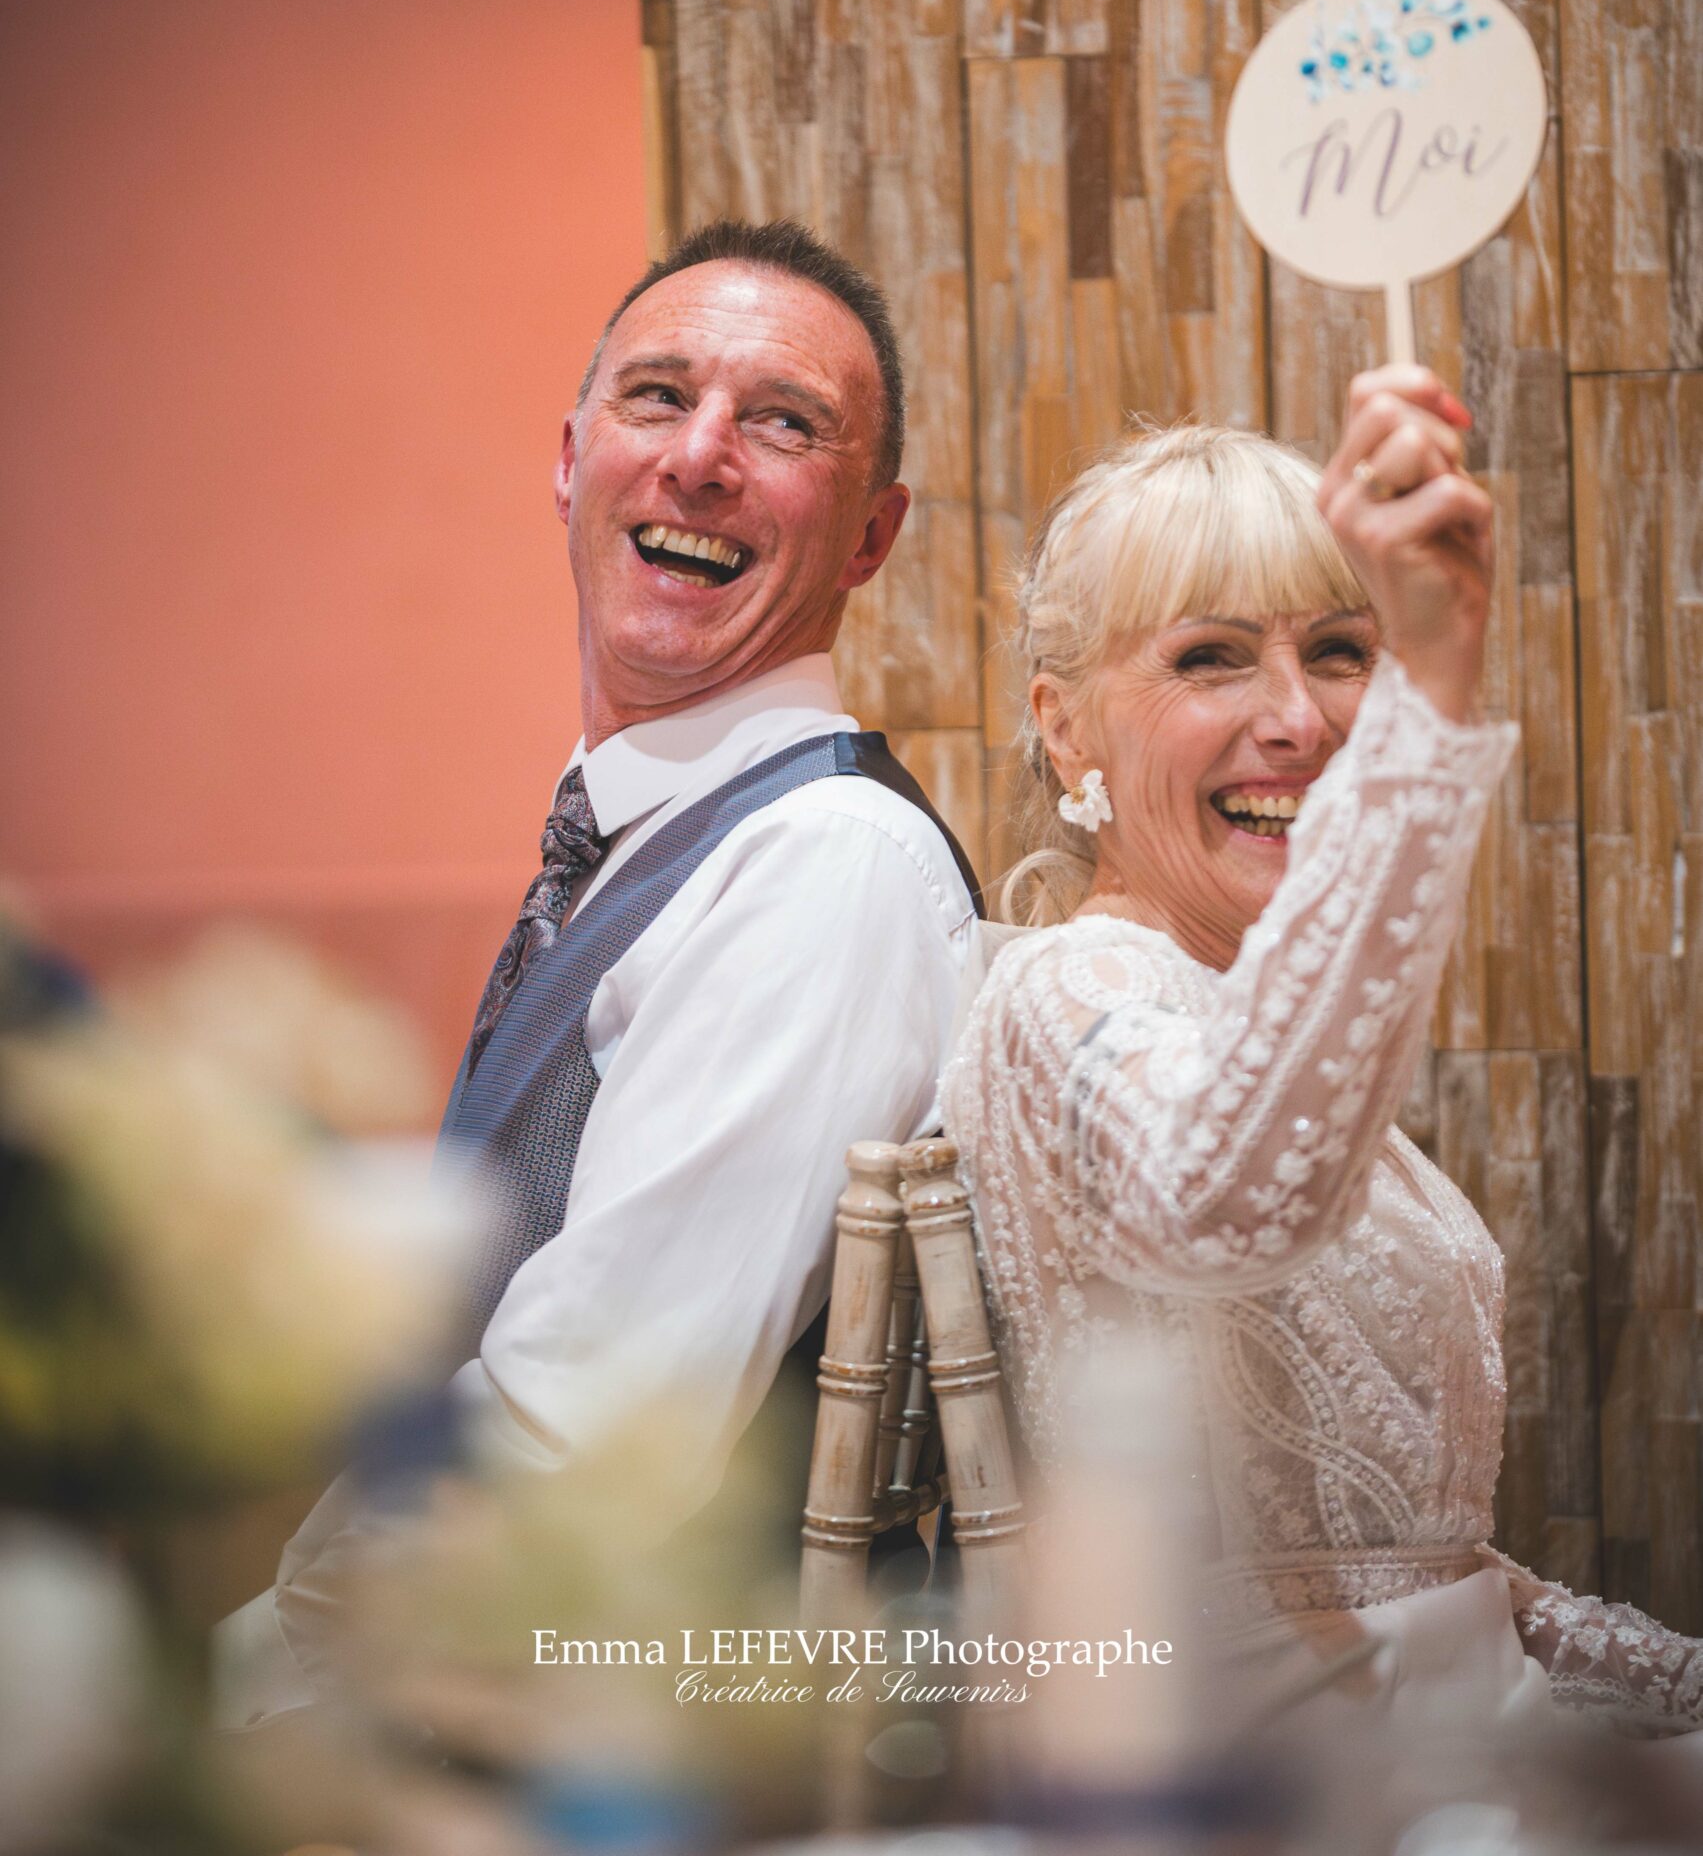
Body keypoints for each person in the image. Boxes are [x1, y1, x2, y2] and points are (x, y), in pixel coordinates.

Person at [224, 218, 980, 1719]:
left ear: (872, 536)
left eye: (785, 423)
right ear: (571, 462)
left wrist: (241, 1683)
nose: (701, 456)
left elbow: (582, 1437)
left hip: (625, 1740)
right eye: (658, 396)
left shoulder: (822, 865)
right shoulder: (635, 842)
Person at [944, 367, 1703, 1736]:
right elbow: (1225, 1201)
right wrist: (1428, 719)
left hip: (1470, 1743)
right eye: (1212, 657)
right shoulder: (1066, 990)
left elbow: (1442, 1584)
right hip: (1274, 1778)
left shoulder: (1237, 1017)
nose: (1299, 719)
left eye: (1346, 651)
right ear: (1064, 724)